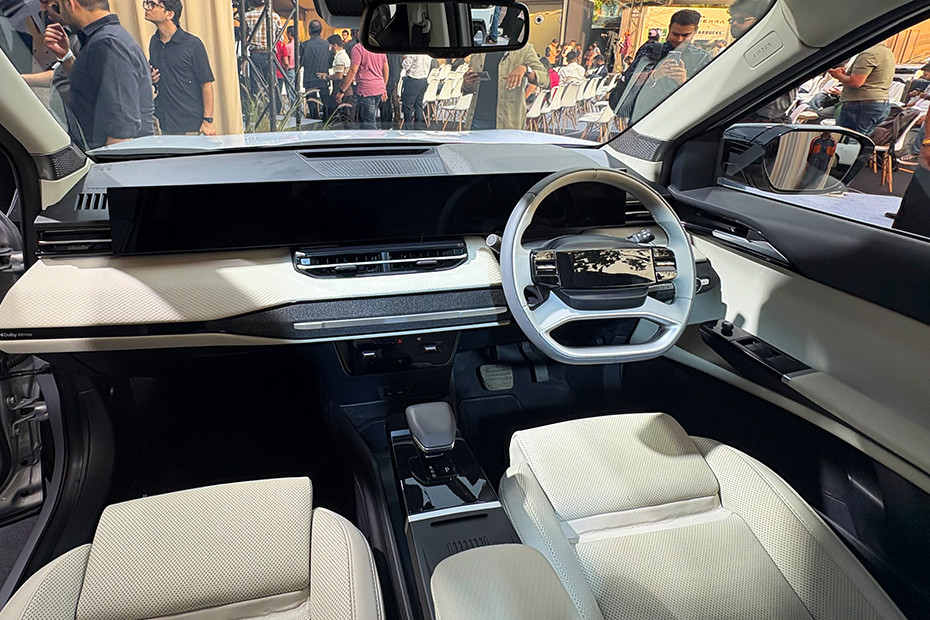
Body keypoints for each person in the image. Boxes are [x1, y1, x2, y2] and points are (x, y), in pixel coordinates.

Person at [50, 0, 153, 149]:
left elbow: (121, 131)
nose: (58, 13)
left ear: (71, 4)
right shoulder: (104, 39)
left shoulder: (107, 43)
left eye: (59, 6)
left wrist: (107, 163)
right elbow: (91, 89)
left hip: (107, 156)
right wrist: (66, 56)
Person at [617, 9, 710, 123]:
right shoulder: (651, 49)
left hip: (678, 120)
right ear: (669, 28)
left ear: (695, 31)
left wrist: (683, 81)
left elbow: (704, 96)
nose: (679, 39)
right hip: (643, 117)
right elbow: (630, 79)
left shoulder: (701, 57)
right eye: (675, 34)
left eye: (685, 35)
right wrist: (655, 74)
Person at [145, 0, 216, 136]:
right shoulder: (154, 42)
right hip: (164, 121)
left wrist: (208, 120)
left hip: (190, 123)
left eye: (153, 4)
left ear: (170, 14)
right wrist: (152, 78)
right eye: (147, 3)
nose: (147, 8)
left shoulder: (193, 45)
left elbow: (206, 83)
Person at [463, 44, 549, 130]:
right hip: (476, 119)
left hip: (507, 121)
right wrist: (467, 83)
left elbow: (545, 79)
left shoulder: (523, 49)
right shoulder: (479, 49)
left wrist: (526, 69)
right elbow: (470, 88)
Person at [831, 41, 895, 136]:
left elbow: (855, 82)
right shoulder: (887, 52)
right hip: (879, 103)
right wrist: (845, 75)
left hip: (861, 104)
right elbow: (871, 78)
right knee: (861, 138)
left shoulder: (868, 54)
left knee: (847, 138)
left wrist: (837, 75)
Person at [336, 42, 388, 129]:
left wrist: (342, 90)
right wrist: (384, 86)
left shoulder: (358, 48)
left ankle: (374, 137)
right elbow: (385, 68)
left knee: (368, 123)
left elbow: (353, 70)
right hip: (379, 88)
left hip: (366, 89)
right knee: (368, 120)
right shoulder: (379, 47)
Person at [244, 0, 283, 98]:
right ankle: (271, 105)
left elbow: (243, 35)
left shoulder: (247, 16)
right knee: (271, 85)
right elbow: (280, 38)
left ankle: (258, 104)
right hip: (270, 54)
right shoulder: (274, 16)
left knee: (256, 84)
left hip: (255, 54)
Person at [299, 20, 331, 118]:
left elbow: (300, 62)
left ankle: (314, 121)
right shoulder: (327, 45)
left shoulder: (304, 45)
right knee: (326, 103)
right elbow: (330, 61)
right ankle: (326, 121)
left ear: (309, 30)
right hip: (323, 77)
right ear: (321, 30)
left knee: (312, 106)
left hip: (309, 79)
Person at [401, 53, 430, 129]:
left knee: (407, 106)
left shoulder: (413, 53)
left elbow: (406, 66)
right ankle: (418, 127)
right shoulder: (427, 53)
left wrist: (404, 59)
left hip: (413, 81)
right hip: (424, 81)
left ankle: (408, 128)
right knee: (418, 105)